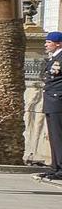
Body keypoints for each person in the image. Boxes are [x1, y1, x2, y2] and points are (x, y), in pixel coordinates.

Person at [41, 32, 62, 181]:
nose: (46, 44)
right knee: (54, 136)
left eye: (49, 42)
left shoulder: (60, 58)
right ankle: (55, 167)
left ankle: (60, 168)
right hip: (51, 100)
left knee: (58, 135)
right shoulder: (54, 58)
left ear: (58, 43)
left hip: (57, 100)